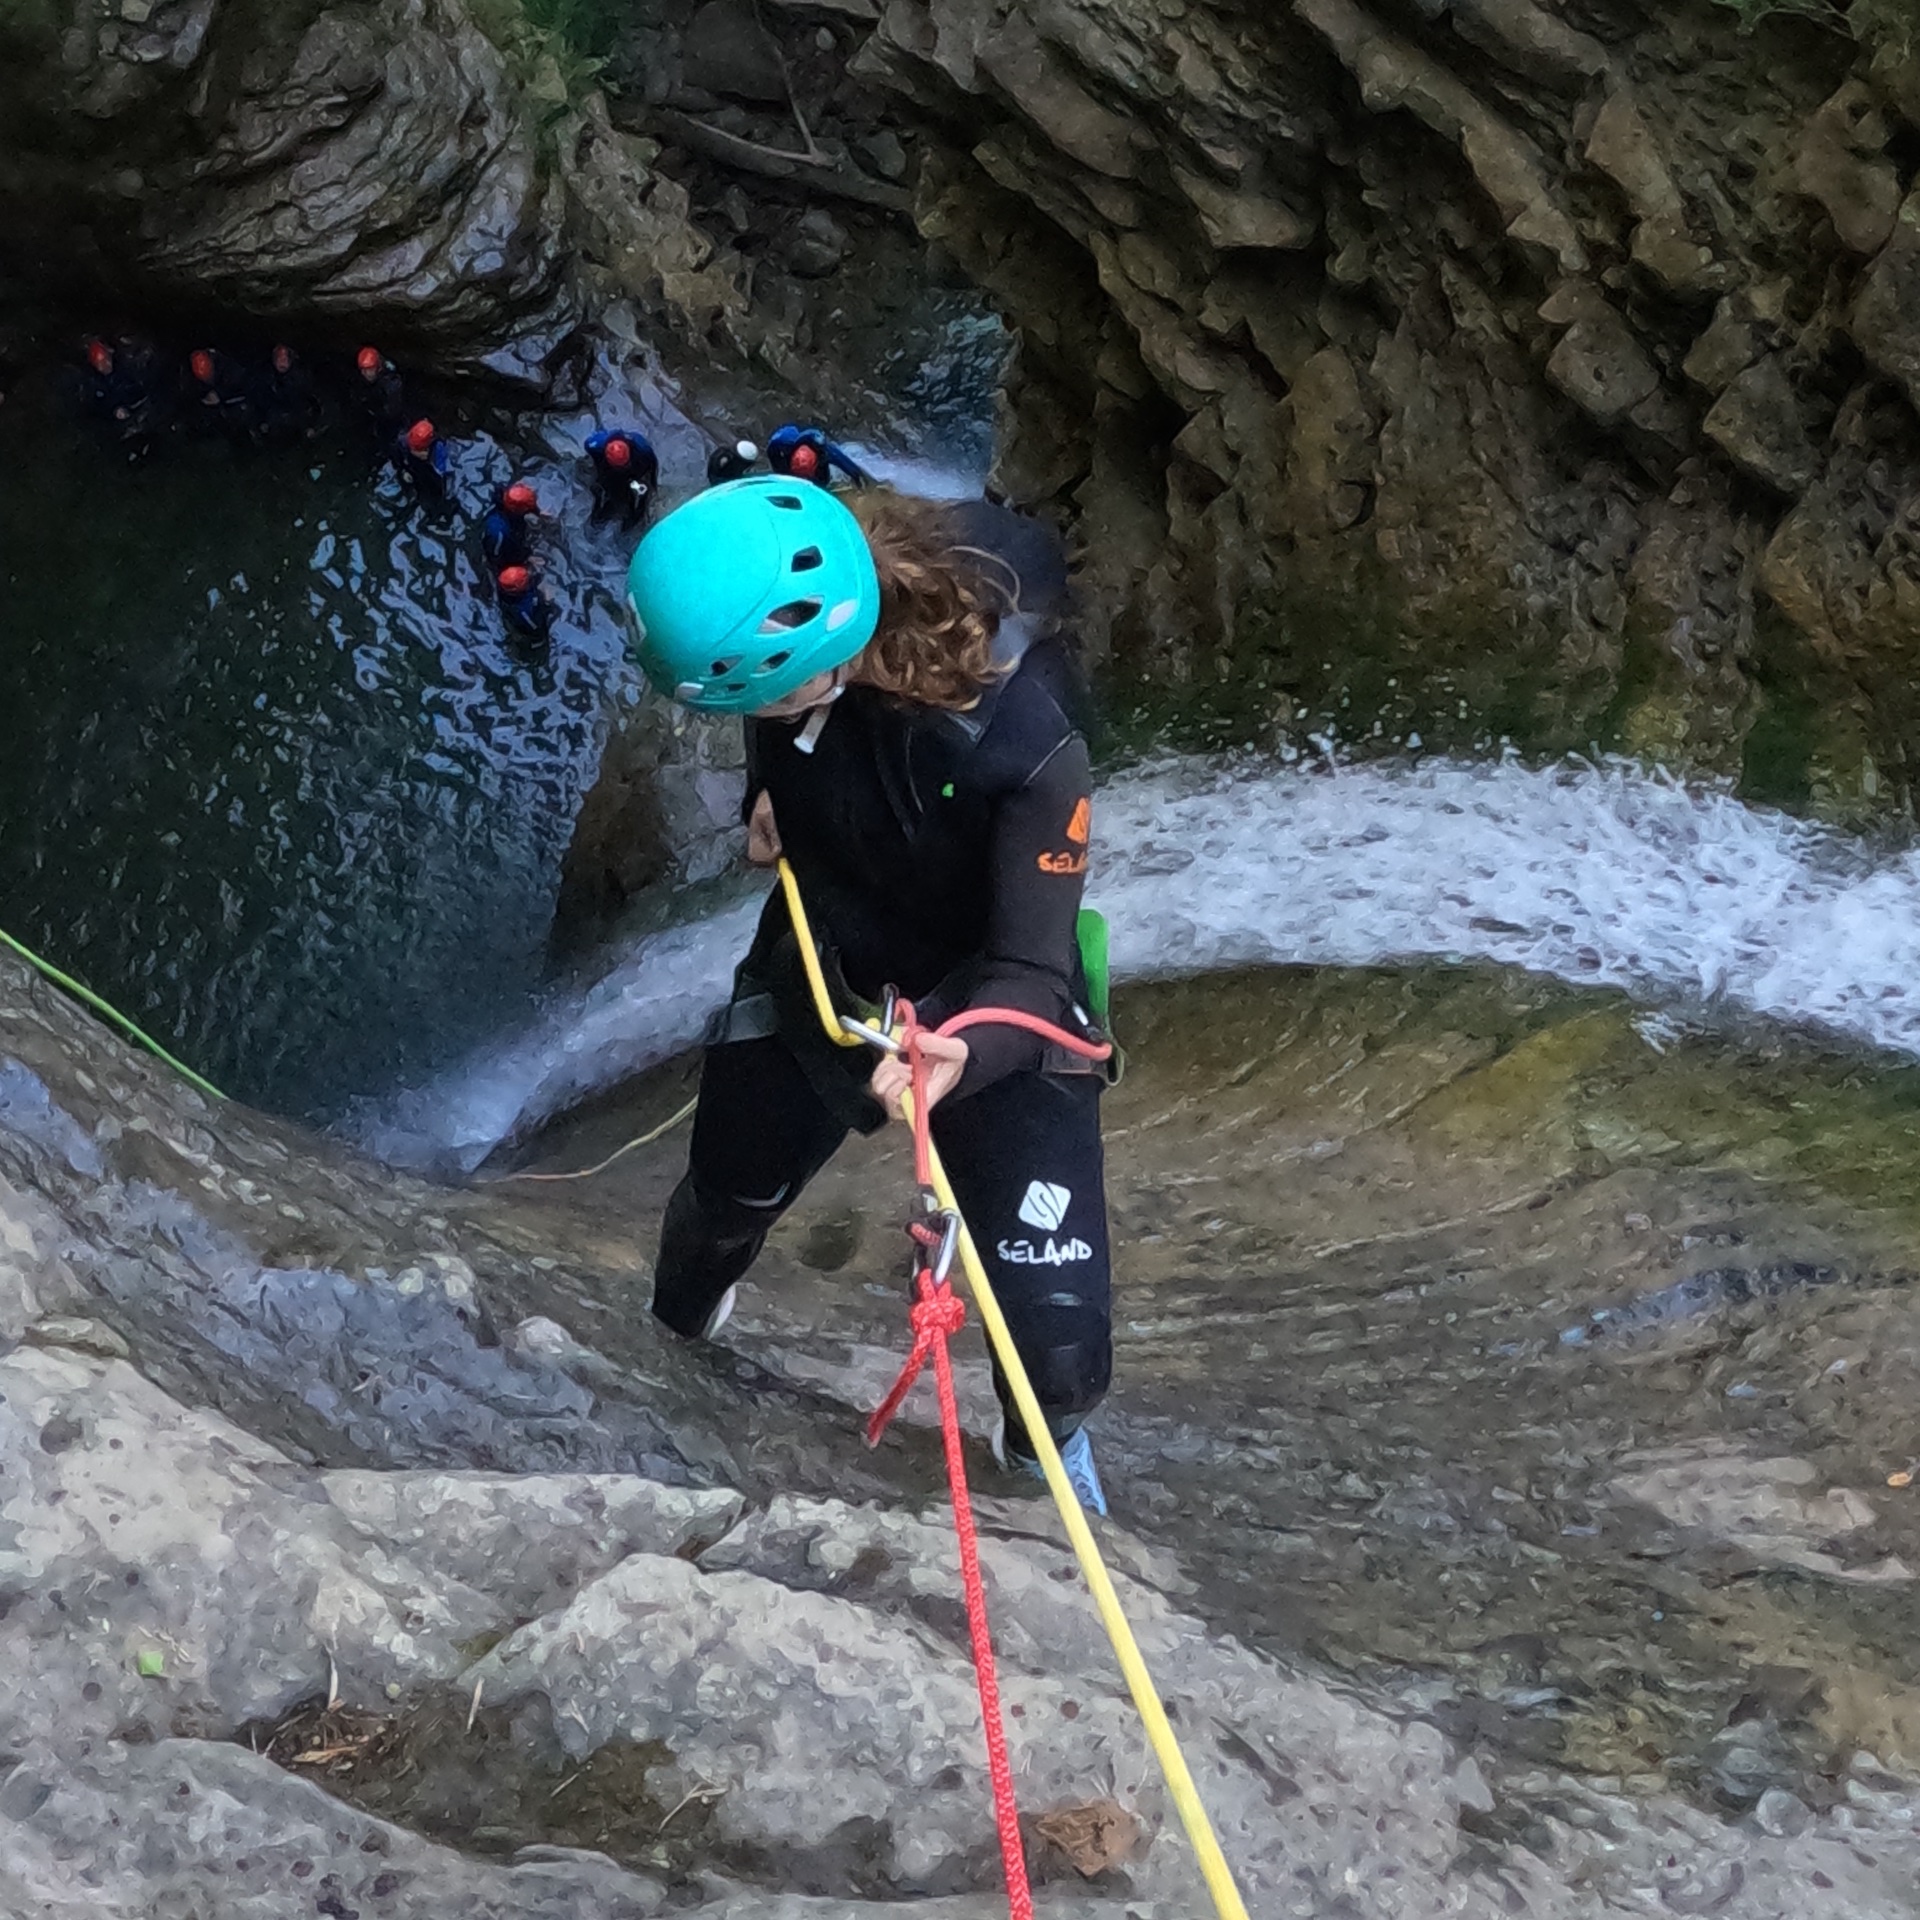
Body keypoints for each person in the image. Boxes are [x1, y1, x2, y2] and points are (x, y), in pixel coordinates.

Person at [626, 477, 1113, 1512]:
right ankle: (673, 1354)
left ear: (819, 657)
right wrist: (771, 798)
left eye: (758, 696)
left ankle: (1046, 1461)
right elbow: (781, 724)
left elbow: (1031, 966)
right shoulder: (803, 622)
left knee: (1060, 1347)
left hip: (992, 1002)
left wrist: (963, 1052)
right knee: (723, 1208)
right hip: (828, 961)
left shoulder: (1026, 741)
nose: (748, 718)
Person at [583, 427, 658, 529]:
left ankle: (635, 518)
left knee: (641, 493)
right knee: (606, 491)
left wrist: (653, 483)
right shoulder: (594, 445)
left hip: (635, 471)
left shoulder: (642, 448)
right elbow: (591, 451)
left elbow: (653, 465)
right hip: (609, 472)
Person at [765, 422, 873, 488]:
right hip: (790, 441)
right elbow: (771, 451)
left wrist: (860, 481)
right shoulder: (780, 445)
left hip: (817, 458)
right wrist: (781, 473)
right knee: (785, 477)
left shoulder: (827, 453)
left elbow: (849, 467)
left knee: (821, 482)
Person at [253, 343, 320, 443]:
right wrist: (262, 422)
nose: (282, 363)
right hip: (274, 420)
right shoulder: (266, 378)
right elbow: (260, 401)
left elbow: (312, 401)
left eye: (284, 359)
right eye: (278, 359)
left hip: (297, 419)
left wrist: (310, 425)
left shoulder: (301, 377)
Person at [481, 480, 541, 571]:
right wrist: (525, 558)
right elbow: (496, 557)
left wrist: (540, 513)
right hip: (499, 549)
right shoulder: (498, 532)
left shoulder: (509, 493)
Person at [354, 345, 407, 438]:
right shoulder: (366, 378)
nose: (367, 374)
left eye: (370, 370)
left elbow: (393, 410)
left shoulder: (391, 381)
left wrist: (376, 412)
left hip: (389, 416)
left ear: (378, 367)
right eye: (363, 370)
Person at [494, 564, 555, 645]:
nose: (528, 574)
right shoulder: (522, 610)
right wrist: (546, 605)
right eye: (525, 579)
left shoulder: (511, 588)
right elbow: (535, 627)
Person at [397, 417, 452, 501]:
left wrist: (428, 459)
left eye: (415, 448)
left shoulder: (438, 451)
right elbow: (399, 450)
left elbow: (442, 474)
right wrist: (404, 471)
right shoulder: (405, 439)